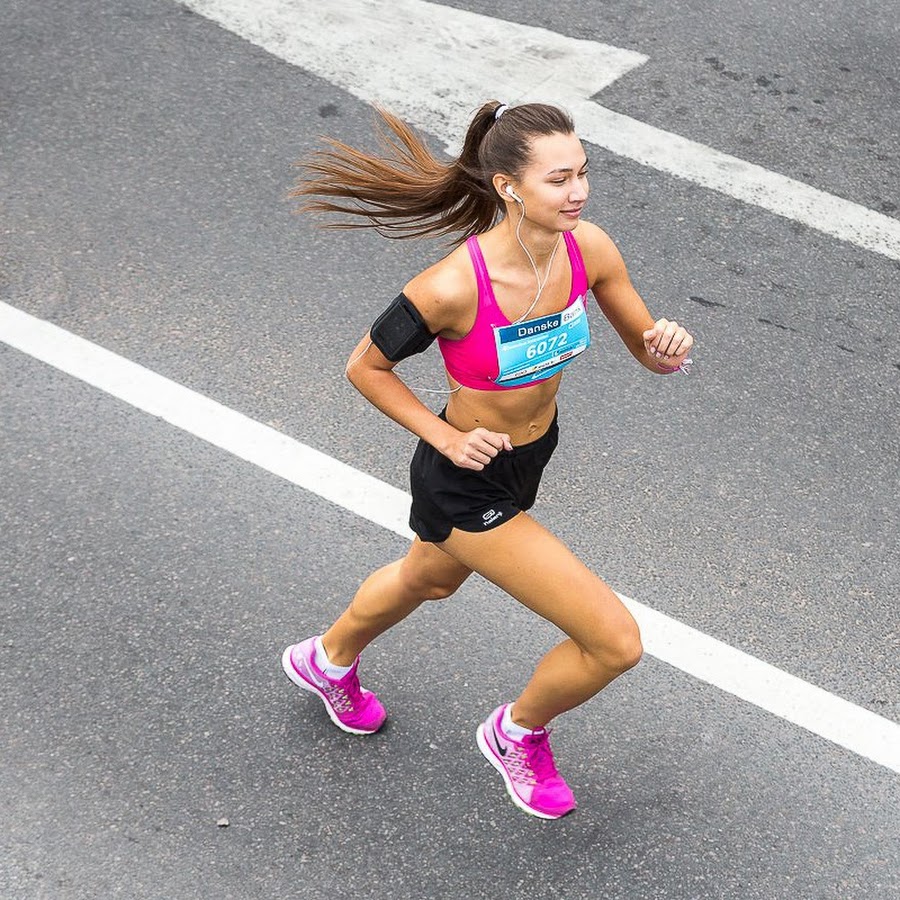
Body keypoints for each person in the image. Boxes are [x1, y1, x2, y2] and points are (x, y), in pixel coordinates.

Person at [281, 100, 694, 820]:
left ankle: (327, 659)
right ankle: (516, 733)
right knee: (613, 641)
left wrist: (667, 351)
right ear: (510, 187)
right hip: (465, 478)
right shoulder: (450, 287)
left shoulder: (587, 249)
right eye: (559, 179)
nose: (579, 192)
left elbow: (646, 350)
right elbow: (364, 367)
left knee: (429, 579)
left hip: (529, 458)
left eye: (584, 173)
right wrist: (443, 438)